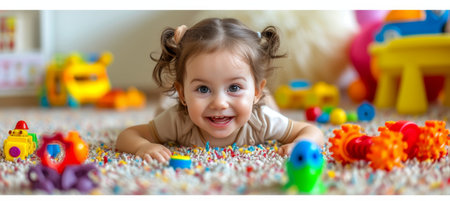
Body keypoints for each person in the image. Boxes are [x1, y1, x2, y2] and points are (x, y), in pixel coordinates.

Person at [115, 18, 324, 163]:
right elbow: (128, 135)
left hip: (257, 104)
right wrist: (143, 147)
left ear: (256, 91)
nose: (219, 103)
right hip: (176, 103)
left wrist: (301, 143)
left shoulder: (262, 121)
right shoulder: (178, 120)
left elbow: (311, 131)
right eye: (203, 88)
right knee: (163, 105)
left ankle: (254, 94)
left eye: (233, 87)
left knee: (269, 107)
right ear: (183, 94)